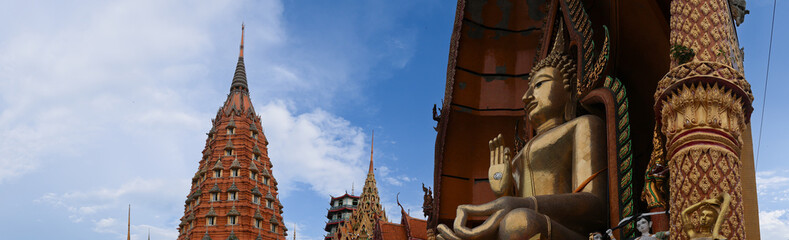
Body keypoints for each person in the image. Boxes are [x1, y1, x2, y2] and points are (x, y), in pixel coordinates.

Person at [436, 23, 608, 240]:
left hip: (569, 233)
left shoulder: (583, 125)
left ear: (569, 87)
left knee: (518, 223)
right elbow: (508, 212)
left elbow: (595, 205)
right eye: (529, 88)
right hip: (522, 226)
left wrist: (524, 203)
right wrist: (504, 190)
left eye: (539, 84)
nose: (526, 97)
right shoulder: (517, 157)